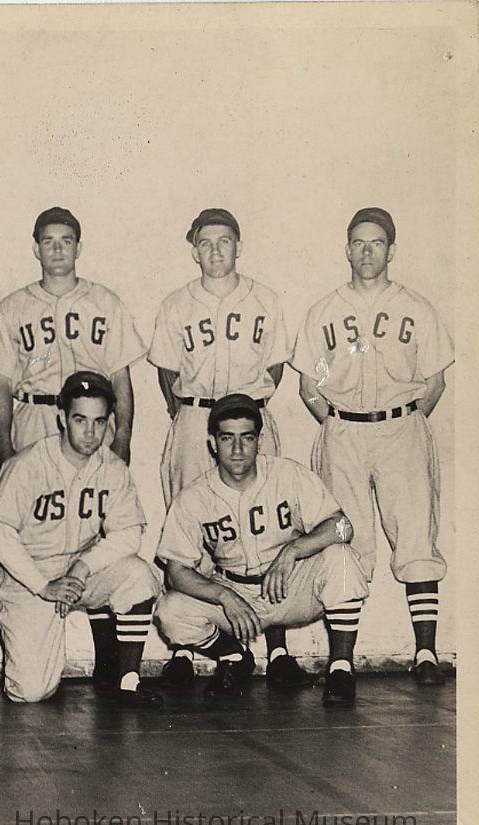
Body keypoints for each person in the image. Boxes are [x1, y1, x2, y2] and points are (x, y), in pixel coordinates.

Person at [290, 207, 454, 686]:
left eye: (376, 243)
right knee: (346, 540)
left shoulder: (417, 308)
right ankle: (341, 661)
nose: (367, 252)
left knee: (417, 537)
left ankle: (426, 654)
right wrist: (341, 424)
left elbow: (435, 381)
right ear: (347, 249)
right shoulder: (324, 311)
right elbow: (308, 387)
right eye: (358, 243)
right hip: (343, 431)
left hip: (401, 427)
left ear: (391, 250)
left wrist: (403, 422)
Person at [147, 208, 308, 690]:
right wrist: (187, 413)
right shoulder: (176, 304)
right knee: (190, 528)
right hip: (196, 416)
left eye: (225, 241)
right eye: (206, 242)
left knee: (269, 527)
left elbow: (276, 368)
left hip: (249, 414)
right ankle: (186, 647)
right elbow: (166, 372)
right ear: (193, 248)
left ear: (239, 246)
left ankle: (277, 648)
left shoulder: (265, 299)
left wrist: (249, 409)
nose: (215, 250)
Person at [154, 395, 369, 705]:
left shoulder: (287, 474)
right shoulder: (194, 496)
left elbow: (343, 527)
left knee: (342, 559)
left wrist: (294, 549)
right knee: (170, 611)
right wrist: (223, 596)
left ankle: (340, 669)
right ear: (213, 443)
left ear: (259, 440)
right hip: (235, 590)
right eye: (228, 438)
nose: (238, 449)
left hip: (289, 587)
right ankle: (234, 656)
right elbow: (176, 572)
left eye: (247, 438)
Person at [0, 372, 162, 706]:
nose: (90, 432)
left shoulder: (111, 467)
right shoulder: (28, 464)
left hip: (79, 570)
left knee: (139, 575)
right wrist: (43, 585)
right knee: (30, 691)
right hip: (29, 578)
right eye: (80, 420)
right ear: (62, 418)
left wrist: (82, 567)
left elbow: (128, 533)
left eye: (99, 422)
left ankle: (127, 680)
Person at [0, 207, 145, 472]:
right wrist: (3, 449)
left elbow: (120, 378)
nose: (57, 250)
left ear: (78, 248)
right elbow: (2, 385)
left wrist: (123, 438)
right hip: (35, 419)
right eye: (49, 242)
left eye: (66, 241)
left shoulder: (105, 302)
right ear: (37, 249)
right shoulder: (12, 307)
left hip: (92, 420)